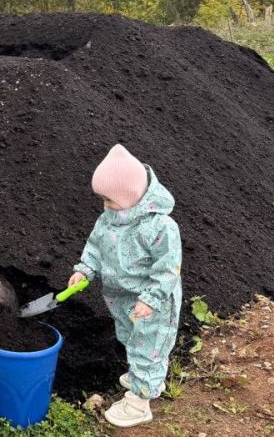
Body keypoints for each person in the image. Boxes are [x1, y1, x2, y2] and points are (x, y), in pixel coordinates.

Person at [67, 144, 182, 428]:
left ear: (131, 195)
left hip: (152, 302)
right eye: (102, 200)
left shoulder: (160, 227)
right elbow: (94, 246)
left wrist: (152, 298)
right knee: (132, 339)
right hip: (121, 299)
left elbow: (168, 269)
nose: (105, 205)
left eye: (110, 200)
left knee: (148, 347)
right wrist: (84, 270)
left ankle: (140, 401)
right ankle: (146, 375)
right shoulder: (108, 219)